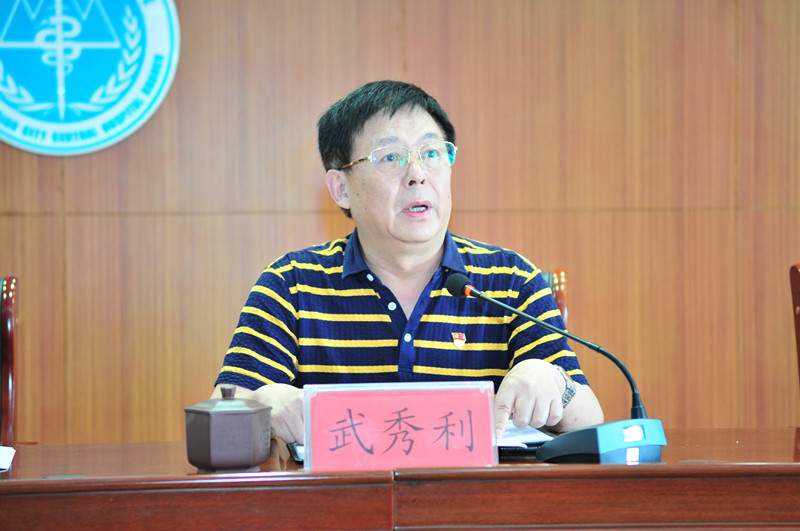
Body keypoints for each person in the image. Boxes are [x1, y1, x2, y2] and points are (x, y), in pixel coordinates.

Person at [212, 80, 604, 443]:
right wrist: (262, 403)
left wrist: (555, 382)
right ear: (341, 188)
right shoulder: (292, 284)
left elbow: (590, 425)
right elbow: (221, 419)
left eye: (432, 153)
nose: (418, 175)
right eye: (391, 157)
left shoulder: (510, 280)